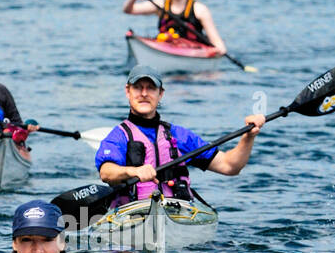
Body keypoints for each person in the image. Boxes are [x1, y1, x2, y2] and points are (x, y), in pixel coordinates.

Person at [95, 69, 264, 207]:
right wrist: (134, 171)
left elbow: (230, 166)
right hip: (131, 214)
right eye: (138, 87)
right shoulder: (118, 136)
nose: (144, 93)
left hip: (177, 213)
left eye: (151, 88)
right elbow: (106, 172)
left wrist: (248, 137)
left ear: (160, 94)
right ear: (128, 92)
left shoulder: (179, 136)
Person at [122, 0, 226, 51]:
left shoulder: (200, 10)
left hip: (192, 51)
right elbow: (128, 10)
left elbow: (218, 44)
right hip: (166, 48)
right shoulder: (160, 6)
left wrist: (217, 50)